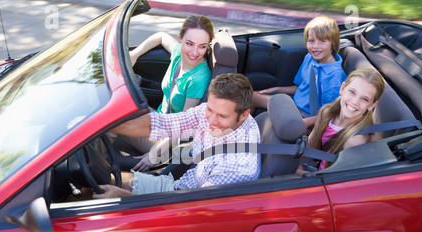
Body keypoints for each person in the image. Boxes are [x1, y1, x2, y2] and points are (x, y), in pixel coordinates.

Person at [93, 73, 261, 199]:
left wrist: (125, 197)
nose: (211, 120)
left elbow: (191, 211)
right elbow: (162, 124)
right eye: (210, 109)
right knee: (103, 181)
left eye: (222, 116)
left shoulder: (237, 168)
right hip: (179, 186)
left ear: (244, 115)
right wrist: (99, 123)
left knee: (97, 196)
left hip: (180, 203)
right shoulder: (217, 113)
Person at [127, 15, 215, 171]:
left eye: (202, 46)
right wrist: (135, 54)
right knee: (119, 110)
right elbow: (160, 36)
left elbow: (184, 126)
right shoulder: (178, 55)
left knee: (114, 122)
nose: (194, 52)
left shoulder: (199, 78)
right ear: (180, 38)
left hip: (168, 139)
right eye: (189, 43)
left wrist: (154, 153)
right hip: (159, 119)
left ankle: (91, 165)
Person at [251, 16, 347, 128]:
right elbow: (301, 87)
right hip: (294, 104)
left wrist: (306, 124)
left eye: (322, 41)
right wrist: (277, 90)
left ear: (333, 43)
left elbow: (330, 112)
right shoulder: (309, 58)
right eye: (311, 41)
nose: (315, 46)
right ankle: (243, 131)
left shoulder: (335, 75)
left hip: (307, 116)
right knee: (252, 96)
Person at [307, 67, 385, 170]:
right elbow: (311, 148)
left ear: (372, 105)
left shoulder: (356, 140)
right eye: (352, 92)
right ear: (342, 89)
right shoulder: (326, 112)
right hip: (316, 167)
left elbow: (337, 177)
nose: (355, 102)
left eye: (365, 99)